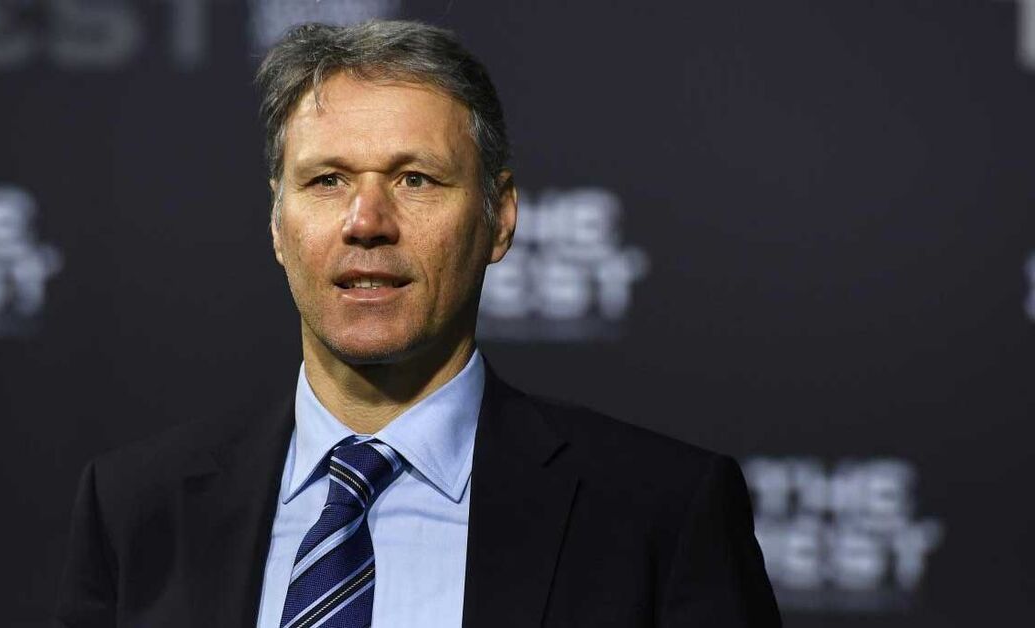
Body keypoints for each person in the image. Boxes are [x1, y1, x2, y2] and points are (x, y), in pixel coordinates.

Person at [55, 19, 781, 628]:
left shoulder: (660, 513)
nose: (366, 221)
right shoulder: (135, 509)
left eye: (415, 179)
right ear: (277, 224)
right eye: (327, 180)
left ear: (499, 218)